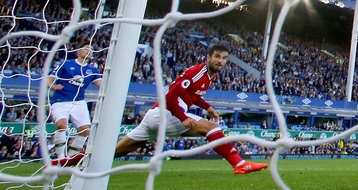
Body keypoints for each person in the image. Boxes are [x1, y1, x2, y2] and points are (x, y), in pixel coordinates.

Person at [59, 44, 267, 175]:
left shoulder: (208, 75)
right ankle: (239, 164)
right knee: (212, 130)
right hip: (165, 114)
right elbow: (169, 96)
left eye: (224, 58)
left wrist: (208, 107)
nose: (220, 61)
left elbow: (191, 96)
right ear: (209, 57)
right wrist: (182, 117)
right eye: (217, 57)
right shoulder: (197, 72)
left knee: (113, 152)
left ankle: (58, 163)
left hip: (154, 117)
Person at [47, 42, 102, 160]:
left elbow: (101, 86)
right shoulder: (66, 64)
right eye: (86, 48)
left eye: (91, 50)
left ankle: (71, 158)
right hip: (60, 101)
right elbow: (49, 80)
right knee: (62, 125)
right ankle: (60, 157)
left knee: (85, 130)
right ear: (78, 52)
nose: (89, 51)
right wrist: (53, 86)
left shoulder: (92, 70)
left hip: (79, 102)